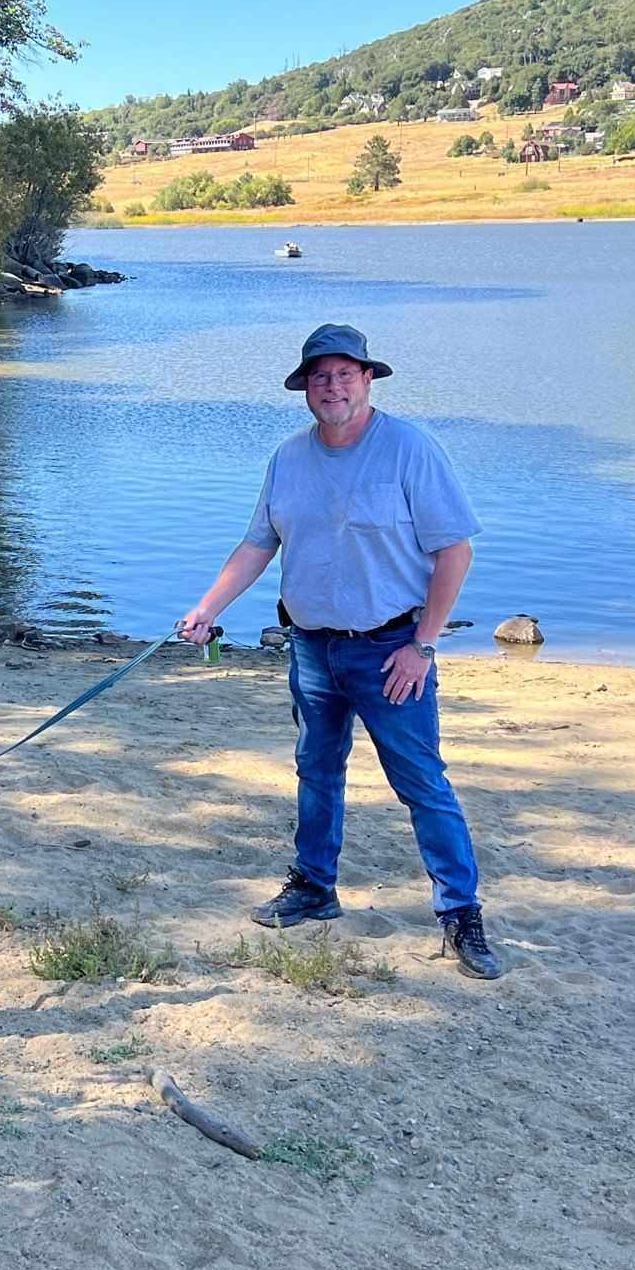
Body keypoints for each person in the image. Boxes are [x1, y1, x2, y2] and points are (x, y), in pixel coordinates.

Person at [176, 322, 503, 979]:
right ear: (305, 388)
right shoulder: (289, 459)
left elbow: (455, 550)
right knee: (316, 771)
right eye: (319, 377)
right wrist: (207, 608)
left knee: (421, 784)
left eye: (344, 374)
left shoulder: (411, 449)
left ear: (367, 379)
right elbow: (257, 545)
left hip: (392, 652)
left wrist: (423, 645)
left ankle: (461, 915)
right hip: (311, 647)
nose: (332, 387)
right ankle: (315, 887)